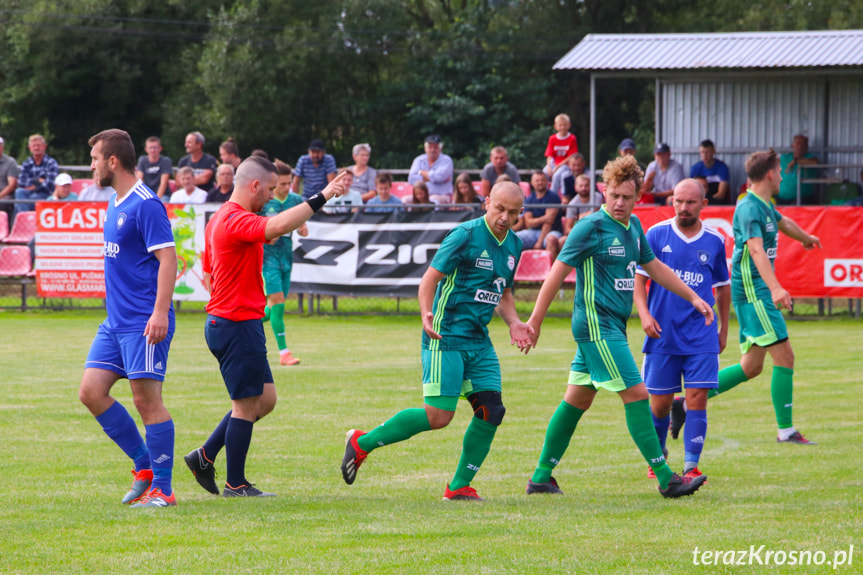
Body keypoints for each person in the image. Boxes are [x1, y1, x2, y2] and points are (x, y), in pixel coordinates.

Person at [524, 155, 713, 499]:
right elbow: (556, 274)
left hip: (611, 327)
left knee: (575, 402)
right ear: (604, 193)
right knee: (638, 395)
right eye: (613, 195)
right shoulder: (590, 227)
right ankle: (666, 477)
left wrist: (693, 297)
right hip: (596, 326)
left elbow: (654, 267)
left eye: (626, 197)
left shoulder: (634, 227)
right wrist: (534, 321)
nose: (619, 203)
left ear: (637, 196)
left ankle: (540, 477)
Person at [341, 182, 533, 501]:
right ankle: (363, 442)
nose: (504, 217)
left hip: (479, 342)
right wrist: (426, 311)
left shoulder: (514, 245)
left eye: (513, 213)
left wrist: (514, 322)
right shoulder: (465, 235)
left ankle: (458, 486)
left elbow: (504, 292)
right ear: (486, 203)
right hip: (445, 335)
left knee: (491, 410)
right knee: (438, 417)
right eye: (499, 208)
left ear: (520, 214)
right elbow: (430, 278)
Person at [184, 158, 349, 498]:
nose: (273, 195)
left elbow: (268, 231)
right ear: (254, 186)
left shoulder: (224, 217)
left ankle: (204, 455)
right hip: (235, 323)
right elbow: (273, 227)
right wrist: (323, 196)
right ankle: (236, 484)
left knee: (266, 400)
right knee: (245, 405)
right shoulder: (233, 218)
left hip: (236, 321)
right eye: (271, 189)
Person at [672, 149, 821, 446]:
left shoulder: (762, 204)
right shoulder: (749, 207)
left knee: (750, 367)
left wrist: (806, 237)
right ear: (769, 174)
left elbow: (784, 223)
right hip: (754, 291)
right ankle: (786, 430)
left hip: (755, 291)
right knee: (785, 356)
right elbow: (755, 250)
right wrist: (776, 288)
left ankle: (685, 403)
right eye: (779, 171)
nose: (781, 176)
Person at [77, 128, 179, 508]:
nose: (91, 166)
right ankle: (144, 467)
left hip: (143, 321)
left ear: (112, 161)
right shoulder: (116, 202)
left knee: (146, 399)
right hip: (115, 323)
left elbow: (168, 259)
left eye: (94, 159)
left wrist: (159, 313)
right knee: (91, 392)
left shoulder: (146, 203)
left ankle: (164, 490)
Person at [633, 179, 730, 481]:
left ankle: (691, 466)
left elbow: (722, 287)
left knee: (697, 397)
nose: (683, 207)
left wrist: (724, 328)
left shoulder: (714, 241)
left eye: (690, 202)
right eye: (678, 201)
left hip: (701, 332)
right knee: (660, 405)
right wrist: (644, 315)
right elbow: (638, 280)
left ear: (704, 204)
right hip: (662, 332)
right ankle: (658, 459)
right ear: (672, 201)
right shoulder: (656, 234)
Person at [261, 159, 308, 366]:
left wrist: (302, 228)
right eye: (282, 184)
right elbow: (255, 228)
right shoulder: (265, 201)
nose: (286, 187)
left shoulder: (296, 200)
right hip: (267, 258)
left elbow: (301, 223)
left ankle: (244, 322)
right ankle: (284, 353)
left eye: (289, 183)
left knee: (273, 308)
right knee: (278, 304)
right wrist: (268, 236)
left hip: (287, 257)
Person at [515, 171, 562, 259]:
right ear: (532, 183)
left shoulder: (553, 197)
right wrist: (544, 218)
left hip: (552, 231)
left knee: (550, 239)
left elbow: (548, 223)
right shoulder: (529, 199)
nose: (540, 182)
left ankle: (550, 270)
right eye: (537, 180)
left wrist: (539, 242)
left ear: (547, 182)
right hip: (533, 232)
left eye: (542, 180)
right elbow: (528, 223)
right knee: (515, 238)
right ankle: (514, 269)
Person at [13, 134, 59, 216]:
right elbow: (22, 182)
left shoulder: (51, 163)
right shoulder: (26, 163)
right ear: (30, 148)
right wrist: (39, 181)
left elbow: (50, 185)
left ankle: (24, 220)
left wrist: (33, 185)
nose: (36, 148)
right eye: (33, 146)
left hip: (45, 194)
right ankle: (26, 219)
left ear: (44, 147)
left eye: (38, 145)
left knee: (20, 204)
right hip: (29, 193)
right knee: (19, 192)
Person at [408, 134, 454, 204]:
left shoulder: (446, 160)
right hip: (419, 196)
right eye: (430, 147)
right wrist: (430, 178)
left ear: (440, 149)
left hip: (441, 195)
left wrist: (421, 172)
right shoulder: (418, 160)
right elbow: (411, 179)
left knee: (432, 201)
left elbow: (439, 177)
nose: (432, 150)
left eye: (435, 147)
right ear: (425, 148)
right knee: (404, 201)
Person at [777, 134, 819, 205]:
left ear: (806, 147)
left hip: (804, 199)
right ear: (792, 146)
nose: (800, 146)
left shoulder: (809, 157)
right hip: (782, 199)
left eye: (803, 144)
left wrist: (796, 161)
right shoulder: (784, 158)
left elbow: (815, 162)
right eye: (798, 143)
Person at [561, 174, 603, 240]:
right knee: (562, 240)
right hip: (578, 234)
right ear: (575, 188)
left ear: (591, 186)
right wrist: (580, 234)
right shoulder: (572, 204)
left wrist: (583, 216)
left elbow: (598, 213)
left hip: (596, 231)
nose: (583, 188)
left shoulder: (597, 197)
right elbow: (567, 228)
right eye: (581, 186)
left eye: (586, 185)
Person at [690, 139, 731, 205]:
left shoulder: (722, 167)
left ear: (713, 152)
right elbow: (691, 190)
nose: (704, 155)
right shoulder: (695, 168)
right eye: (702, 152)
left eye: (707, 152)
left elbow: (721, 194)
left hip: (716, 201)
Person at [0, 136, 20, 219]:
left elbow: (12, 185)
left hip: (5, 194)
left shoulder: (10, 162)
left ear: (3, 148)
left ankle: (6, 228)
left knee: (3, 203)